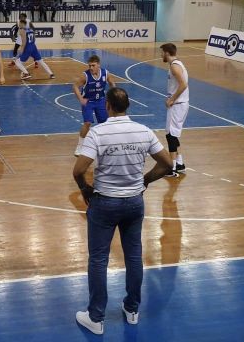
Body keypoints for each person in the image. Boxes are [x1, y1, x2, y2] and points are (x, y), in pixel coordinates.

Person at [73, 87, 173, 335]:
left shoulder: (98, 132)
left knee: (98, 259)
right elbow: (167, 164)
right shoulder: (144, 131)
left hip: (104, 203)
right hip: (134, 203)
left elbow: (78, 170)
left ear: (107, 106)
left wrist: (85, 189)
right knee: (134, 256)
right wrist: (145, 180)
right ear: (127, 106)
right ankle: (132, 309)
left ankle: (96, 317)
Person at [73, 55, 118, 156]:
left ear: (98, 65)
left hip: (101, 101)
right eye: (89, 66)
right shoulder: (85, 75)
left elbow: (112, 83)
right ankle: (79, 146)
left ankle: (104, 144)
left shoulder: (105, 73)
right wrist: (80, 99)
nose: (91, 68)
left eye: (93, 65)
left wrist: (113, 95)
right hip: (88, 101)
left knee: (104, 123)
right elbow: (75, 86)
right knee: (87, 123)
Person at [161, 43, 189, 176]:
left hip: (177, 105)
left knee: (170, 135)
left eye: (162, 52)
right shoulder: (177, 64)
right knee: (173, 134)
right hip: (180, 104)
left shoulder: (174, 66)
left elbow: (183, 85)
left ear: (167, 53)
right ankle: (180, 164)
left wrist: (172, 99)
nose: (161, 55)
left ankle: (171, 169)